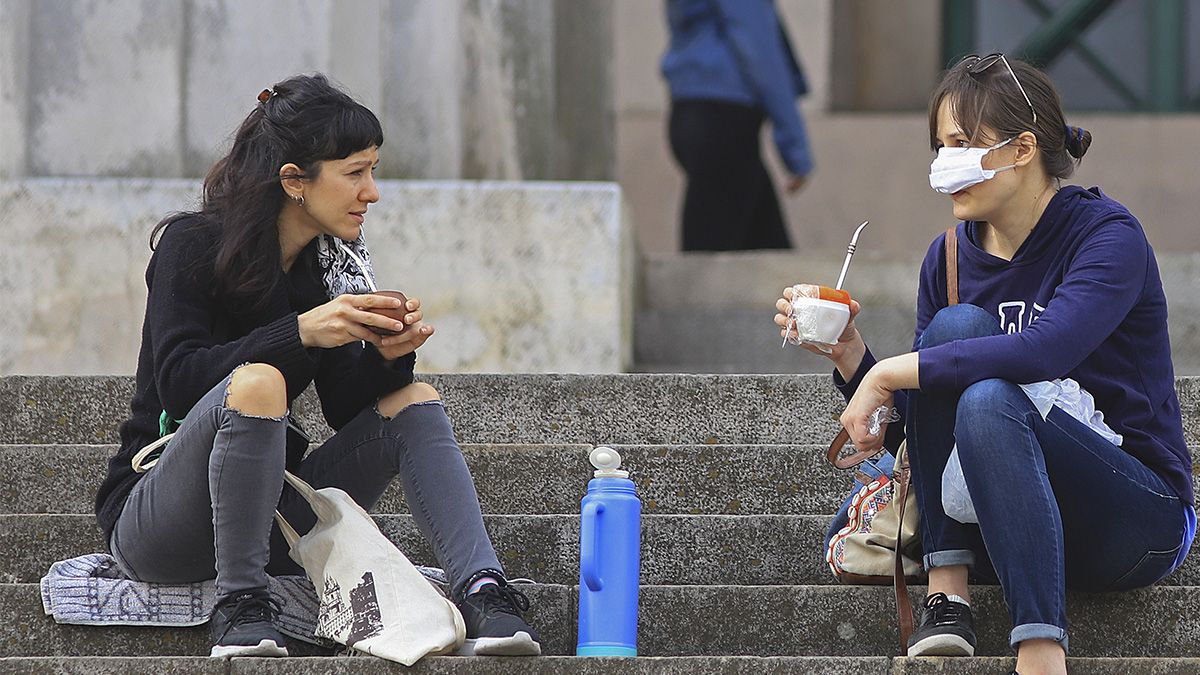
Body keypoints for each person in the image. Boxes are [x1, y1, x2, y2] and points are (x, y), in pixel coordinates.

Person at [93, 74, 541, 659]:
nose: (372, 192)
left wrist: (390, 357)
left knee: (414, 401)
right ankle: (241, 605)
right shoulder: (191, 244)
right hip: (159, 522)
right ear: (294, 182)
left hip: (273, 521)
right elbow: (178, 383)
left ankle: (483, 592)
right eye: (355, 173)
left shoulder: (326, 270)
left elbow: (345, 409)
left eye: (373, 170)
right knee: (259, 384)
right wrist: (300, 332)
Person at [775, 54, 1193, 675]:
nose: (946, 164)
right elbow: (928, 433)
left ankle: (1041, 654)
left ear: (1023, 148)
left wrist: (890, 373)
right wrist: (854, 358)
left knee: (988, 394)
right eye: (941, 145)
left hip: (1133, 516)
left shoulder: (1106, 237)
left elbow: (1043, 351)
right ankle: (948, 592)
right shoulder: (947, 258)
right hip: (1004, 524)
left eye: (965, 144)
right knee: (956, 334)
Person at [661, 0, 813, 251]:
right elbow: (758, 46)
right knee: (707, 261)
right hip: (724, 119)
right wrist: (794, 147)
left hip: (690, 109)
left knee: (768, 248)